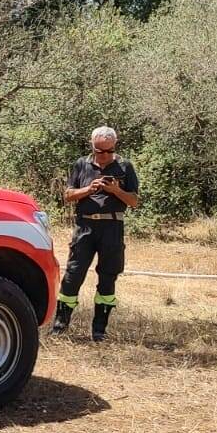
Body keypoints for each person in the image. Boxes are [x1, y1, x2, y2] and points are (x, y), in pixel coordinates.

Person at [54, 126, 140, 341]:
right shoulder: (81, 164)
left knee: (108, 278)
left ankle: (99, 332)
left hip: (112, 228)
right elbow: (68, 195)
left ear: (115, 146)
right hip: (85, 228)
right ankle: (60, 325)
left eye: (109, 151)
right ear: (92, 147)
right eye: (100, 151)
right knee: (73, 275)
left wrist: (116, 191)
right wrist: (89, 189)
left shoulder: (125, 166)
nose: (104, 156)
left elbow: (135, 201)